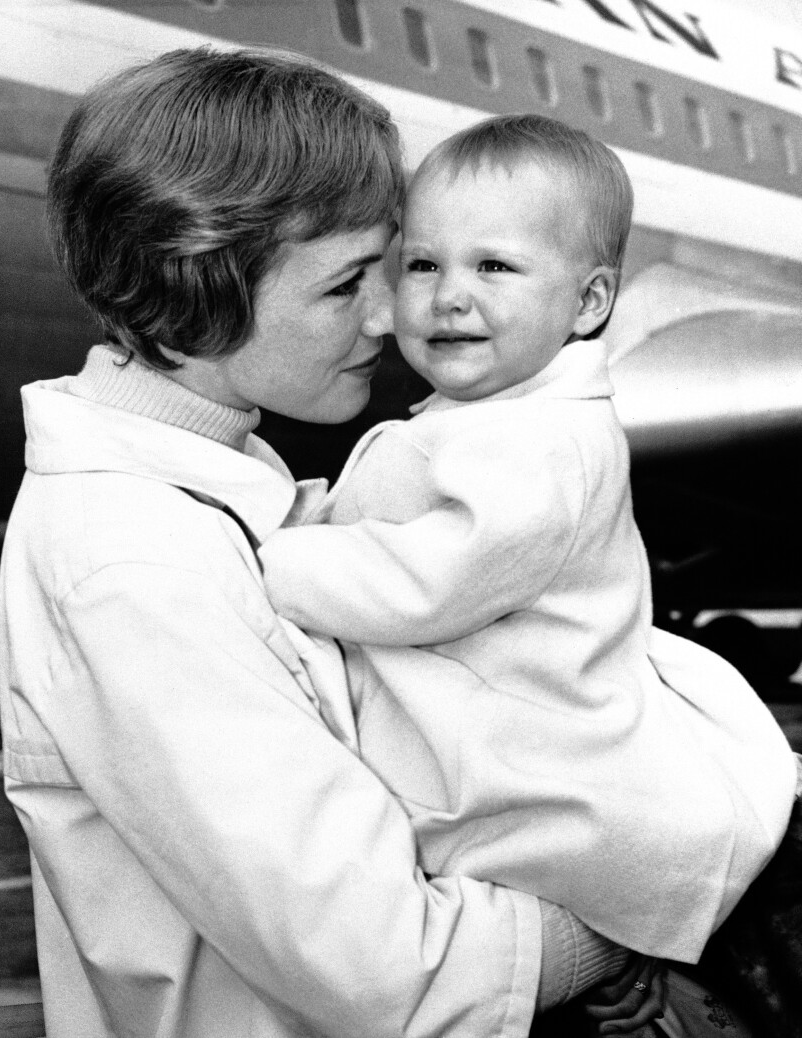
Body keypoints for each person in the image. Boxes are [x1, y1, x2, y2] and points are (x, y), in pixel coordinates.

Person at [0, 51, 661, 1038]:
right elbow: (392, 970)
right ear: (201, 279)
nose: (396, 316)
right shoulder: (135, 564)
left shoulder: (206, 495)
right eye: (350, 282)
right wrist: (629, 918)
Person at [259, 115, 798, 969]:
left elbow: (431, 582)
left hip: (539, 784)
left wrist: (272, 559)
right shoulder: (490, 420)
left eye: (494, 267)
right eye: (422, 264)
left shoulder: (543, 442)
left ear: (588, 303)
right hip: (495, 747)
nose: (448, 295)